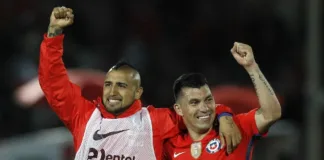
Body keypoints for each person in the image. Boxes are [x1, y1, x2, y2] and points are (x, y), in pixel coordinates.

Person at [39, 6, 242, 160]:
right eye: (108, 84)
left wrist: (223, 115)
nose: (112, 91)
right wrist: (53, 34)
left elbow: (201, 114)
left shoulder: (156, 122)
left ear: (138, 92)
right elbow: (52, 82)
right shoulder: (84, 116)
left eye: (122, 85)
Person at [164, 42, 282, 160]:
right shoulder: (170, 146)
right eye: (194, 102)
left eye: (208, 99)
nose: (204, 108)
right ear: (179, 109)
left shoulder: (237, 128)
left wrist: (252, 67)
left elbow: (271, 114)